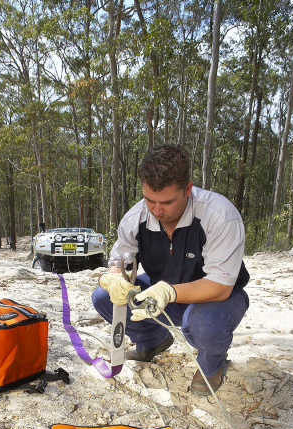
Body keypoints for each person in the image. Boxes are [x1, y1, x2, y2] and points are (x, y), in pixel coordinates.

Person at [92, 144, 249, 395]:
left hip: (217, 299)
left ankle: (211, 365)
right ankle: (153, 342)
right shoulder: (136, 218)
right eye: (149, 200)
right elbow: (119, 261)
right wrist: (113, 278)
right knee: (103, 298)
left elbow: (221, 286)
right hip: (160, 292)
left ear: (188, 188)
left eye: (166, 201)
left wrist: (169, 292)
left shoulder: (219, 216)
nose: (156, 210)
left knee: (202, 323)